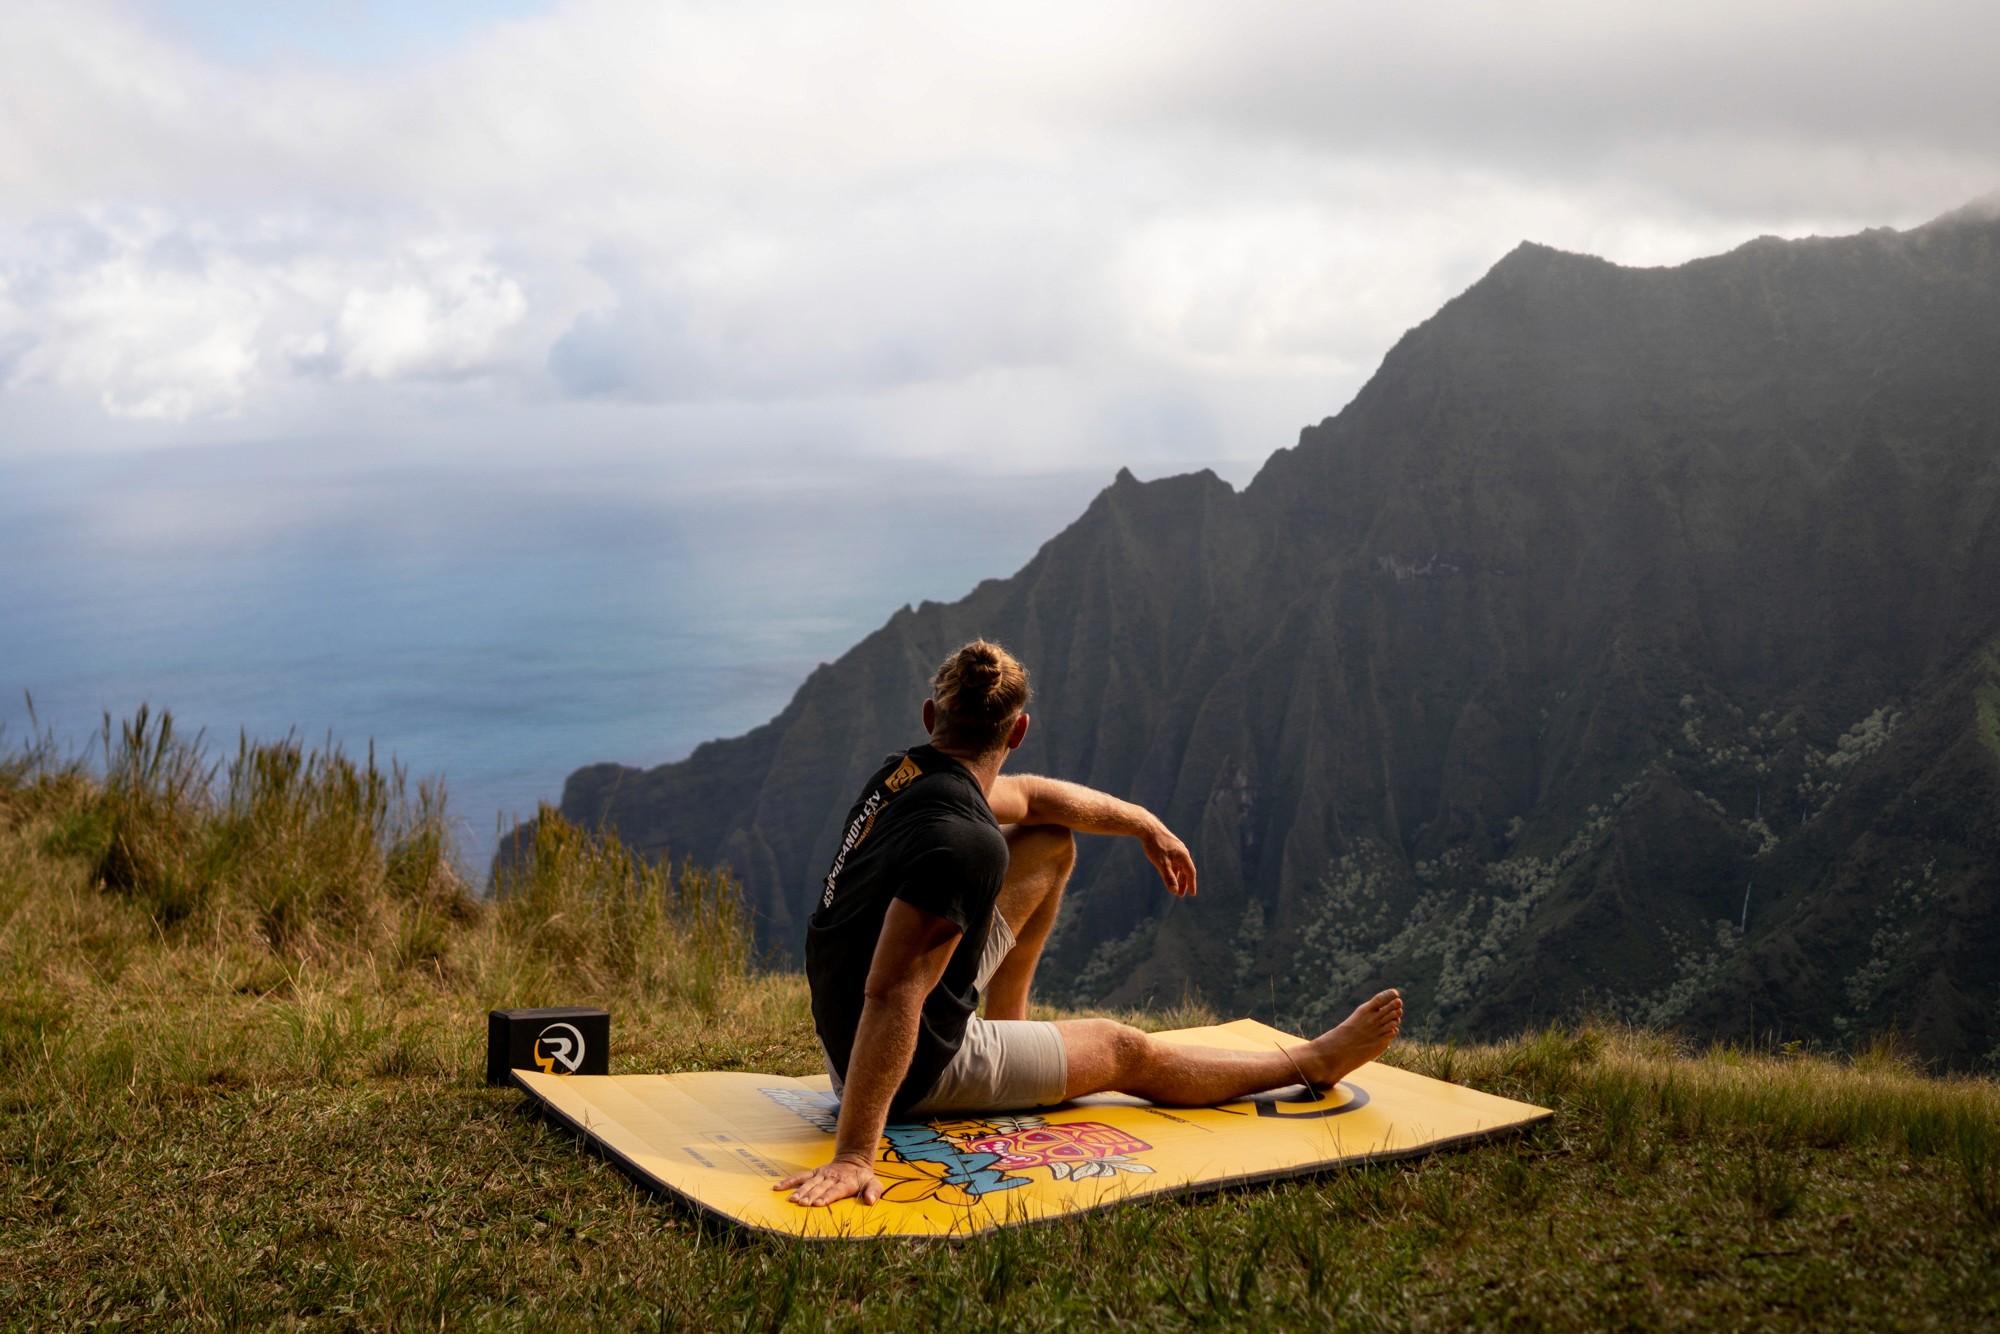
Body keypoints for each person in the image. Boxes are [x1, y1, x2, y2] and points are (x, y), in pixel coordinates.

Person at [777, 639, 1403, 1208]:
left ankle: (1006, 1028)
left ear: (930, 719)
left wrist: (1143, 825)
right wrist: (857, 1153)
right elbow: (894, 994)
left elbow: (1036, 800)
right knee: (1122, 1050)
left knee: (1050, 843)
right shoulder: (965, 844)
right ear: (1018, 729)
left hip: (855, 1024)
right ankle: (1312, 1063)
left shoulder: (903, 776)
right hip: (905, 1066)